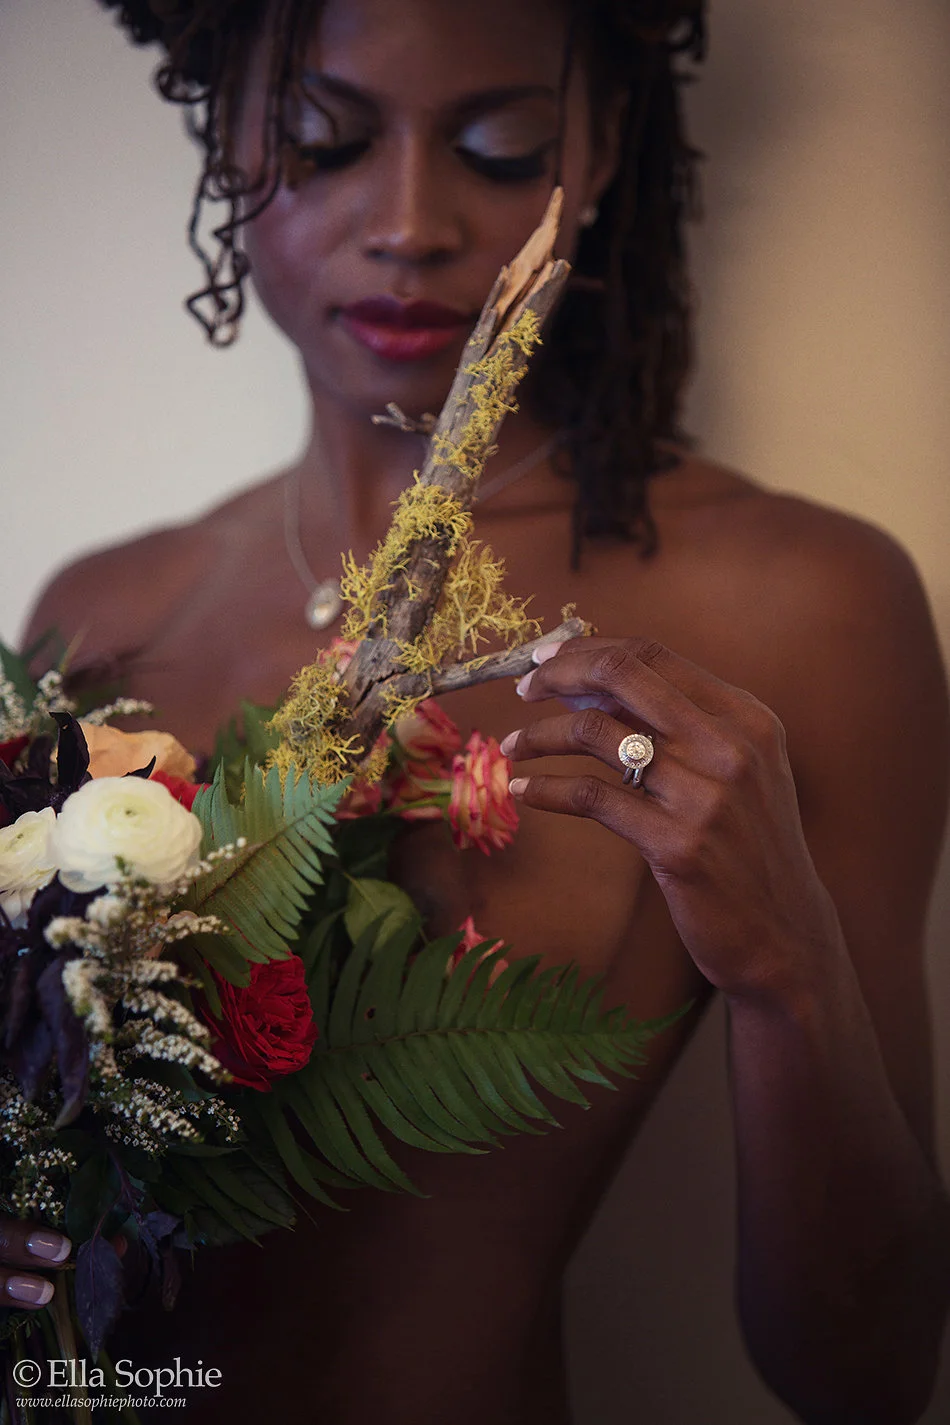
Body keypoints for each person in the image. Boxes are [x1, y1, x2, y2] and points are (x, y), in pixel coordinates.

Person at [8, 0, 950, 1420]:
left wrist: (786, 970)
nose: (408, 222)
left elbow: (868, 1376)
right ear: (223, 138)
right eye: (323, 140)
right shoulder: (109, 608)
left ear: (606, 143)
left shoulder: (793, 609)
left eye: (500, 150)